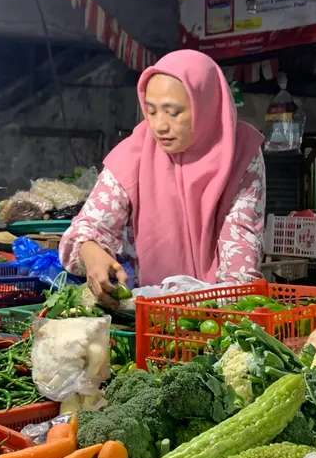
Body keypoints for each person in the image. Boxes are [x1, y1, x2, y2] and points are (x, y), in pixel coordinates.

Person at [59, 50, 267, 302]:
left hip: (220, 317)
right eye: (152, 111)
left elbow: (240, 268)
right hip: (150, 316)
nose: (159, 125)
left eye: (173, 111)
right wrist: (90, 251)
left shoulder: (241, 152)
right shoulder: (133, 153)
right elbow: (87, 227)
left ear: (206, 105)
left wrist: (201, 315)